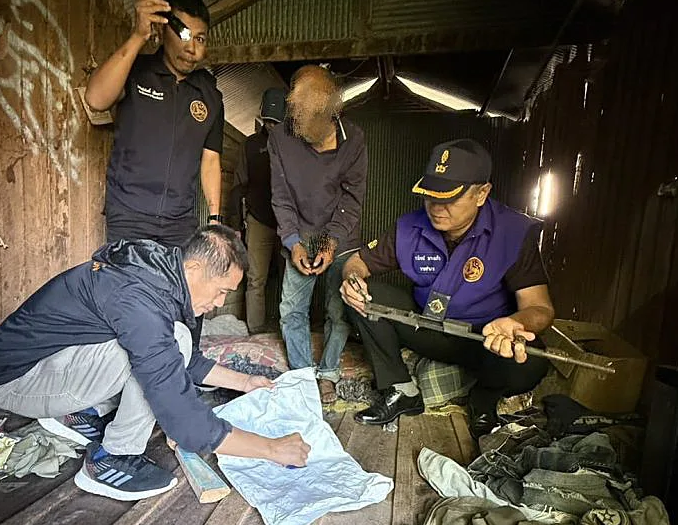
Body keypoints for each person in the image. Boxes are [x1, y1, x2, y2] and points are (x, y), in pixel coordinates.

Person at [0, 226, 310, 501]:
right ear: (194, 269)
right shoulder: (138, 299)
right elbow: (181, 414)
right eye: (222, 291)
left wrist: (245, 382)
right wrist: (271, 449)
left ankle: (76, 413)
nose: (220, 303)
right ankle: (111, 460)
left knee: (171, 341)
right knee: (151, 352)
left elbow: (183, 359)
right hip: (18, 382)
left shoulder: (158, 274)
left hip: (50, 364)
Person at [340, 138, 555, 437]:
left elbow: (540, 308)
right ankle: (401, 389)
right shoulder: (410, 226)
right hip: (429, 328)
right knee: (365, 296)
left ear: (482, 194)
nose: (437, 208)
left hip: (485, 339)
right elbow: (358, 262)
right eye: (430, 196)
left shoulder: (512, 232)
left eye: (450, 198)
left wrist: (514, 323)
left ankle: (484, 397)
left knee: (530, 363)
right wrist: (353, 280)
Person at [85, 0, 225, 247]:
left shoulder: (210, 95)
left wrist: (215, 219)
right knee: (129, 275)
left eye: (200, 38)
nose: (192, 48)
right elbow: (96, 99)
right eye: (184, 34)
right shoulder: (136, 70)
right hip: (129, 215)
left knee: (179, 276)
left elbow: (210, 159)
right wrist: (138, 35)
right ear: (163, 30)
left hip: (180, 223)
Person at [268, 65, 368, 405]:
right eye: (295, 115)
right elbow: (280, 195)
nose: (297, 122)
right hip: (299, 231)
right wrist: (293, 242)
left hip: (341, 235)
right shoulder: (280, 137)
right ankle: (302, 375)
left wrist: (331, 241)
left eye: (307, 118)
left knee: (339, 309)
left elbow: (352, 198)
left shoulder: (354, 140)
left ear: (331, 111)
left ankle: (328, 372)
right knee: (291, 310)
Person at [227, 87, 286, 333]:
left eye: (276, 122)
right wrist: (235, 223)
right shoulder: (250, 145)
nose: (271, 126)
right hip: (259, 220)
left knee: (291, 279)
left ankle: (288, 329)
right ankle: (256, 330)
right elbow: (238, 185)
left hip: (288, 223)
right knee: (255, 278)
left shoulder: (295, 145)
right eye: (268, 121)